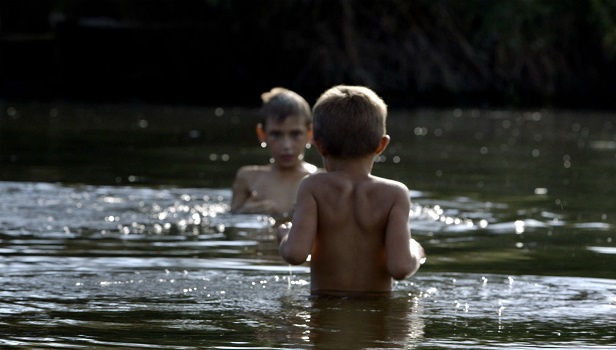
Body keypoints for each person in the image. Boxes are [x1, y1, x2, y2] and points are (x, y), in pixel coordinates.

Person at [278, 85, 425, 296]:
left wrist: (285, 234)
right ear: (381, 145)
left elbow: (294, 253)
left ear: (318, 145)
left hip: (324, 311)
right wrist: (416, 249)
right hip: (378, 317)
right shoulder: (395, 194)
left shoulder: (313, 187)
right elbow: (401, 267)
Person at [230, 87, 318, 219]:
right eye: (276, 134)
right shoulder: (248, 179)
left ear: (310, 134)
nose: (286, 146)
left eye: (295, 134)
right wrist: (245, 213)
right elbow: (231, 223)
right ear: (262, 134)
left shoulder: (320, 180)